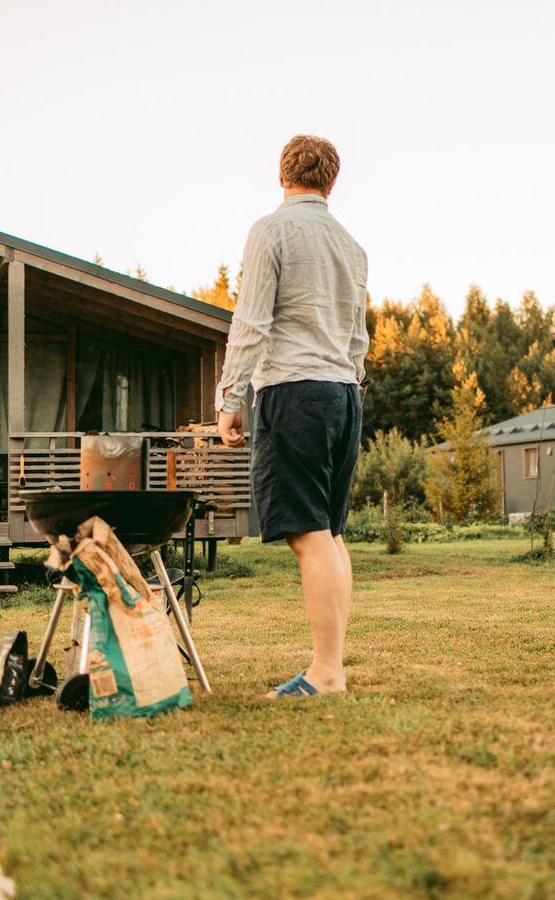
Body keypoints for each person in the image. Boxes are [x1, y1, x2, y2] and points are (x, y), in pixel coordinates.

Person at [216, 135, 369, 698]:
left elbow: (252, 322)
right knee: (329, 533)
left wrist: (229, 400)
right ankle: (332, 664)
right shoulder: (352, 246)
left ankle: (327, 672)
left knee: (309, 535)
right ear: (332, 181)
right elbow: (358, 337)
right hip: (343, 394)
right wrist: (350, 388)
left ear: (283, 176)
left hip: (294, 392)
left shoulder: (271, 231)